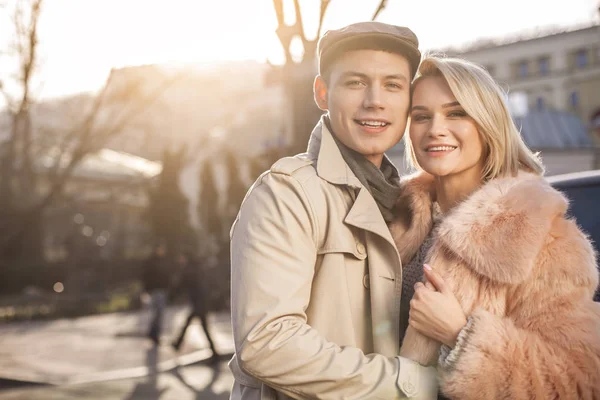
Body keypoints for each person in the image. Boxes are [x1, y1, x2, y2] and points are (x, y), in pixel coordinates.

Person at [229, 22, 440, 400]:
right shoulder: (286, 193)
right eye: (356, 82)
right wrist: (406, 382)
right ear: (323, 93)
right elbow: (267, 342)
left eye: (392, 85)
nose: (375, 100)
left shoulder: (411, 204)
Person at [389, 55, 600, 399]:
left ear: (487, 123)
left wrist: (460, 336)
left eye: (456, 113)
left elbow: (580, 381)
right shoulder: (397, 215)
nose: (435, 129)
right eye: (421, 116)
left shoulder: (538, 232)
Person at [171, 253, 220, 364]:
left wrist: (173, 295)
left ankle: (178, 344)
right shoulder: (198, 268)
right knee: (201, 327)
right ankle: (178, 344)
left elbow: (180, 286)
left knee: (200, 327)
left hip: (199, 304)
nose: (180, 259)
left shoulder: (189, 270)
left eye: (181, 257)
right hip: (201, 303)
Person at [142, 242, 171, 345]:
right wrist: (147, 290)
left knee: (159, 313)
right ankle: (153, 333)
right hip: (155, 290)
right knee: (156, 312)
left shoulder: (164, 261)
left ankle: (154, 333)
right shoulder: (152, 262)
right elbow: (146, 276)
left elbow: (167, 276)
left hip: (162, 290)